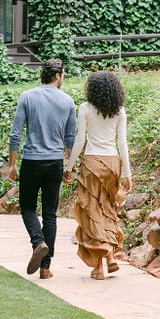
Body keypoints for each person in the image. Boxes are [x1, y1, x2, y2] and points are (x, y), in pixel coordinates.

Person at [7, 58, 76, 279]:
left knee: (27, 207)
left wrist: (11, 164)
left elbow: (16, 133)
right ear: (58, 76)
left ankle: (38, 242)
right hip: (54, 162)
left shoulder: (27, 97)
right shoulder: (67, 101)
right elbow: (70, 138)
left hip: (32, 161)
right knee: (50, 214)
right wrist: (70, 167)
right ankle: (45, 268)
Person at [64, 70, 131, 280]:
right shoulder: (120, 110)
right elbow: (122, 143)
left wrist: (69, 166)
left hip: (92, 163)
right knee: (108, 211)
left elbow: (80, 140)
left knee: (92, 213)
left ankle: (99, 268)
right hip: (112, 164)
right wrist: (127, 172)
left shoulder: (85, 108)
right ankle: (110, 256)